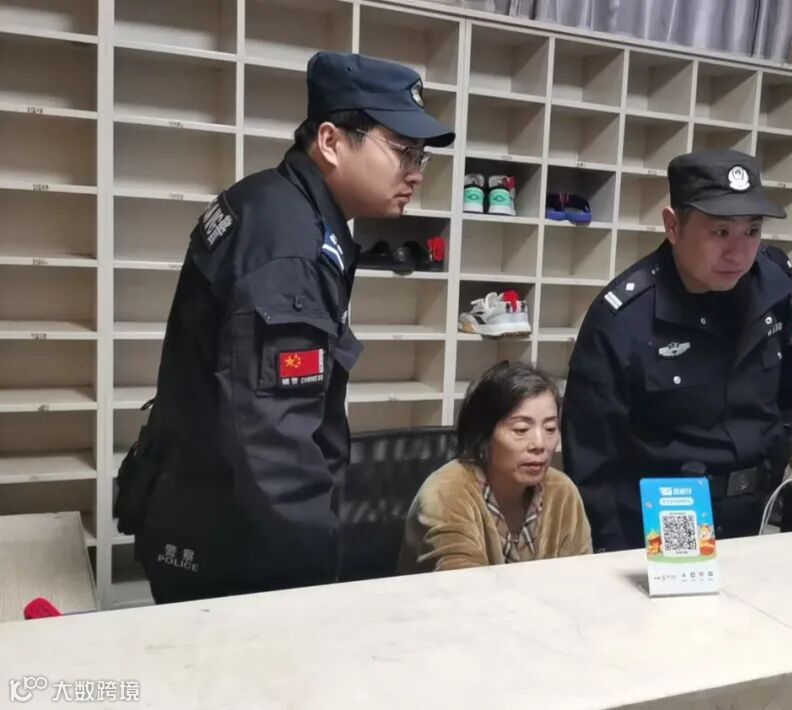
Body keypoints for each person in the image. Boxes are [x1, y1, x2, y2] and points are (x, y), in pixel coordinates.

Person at [113, 52, 455, 603]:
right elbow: (273, 441)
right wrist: (315, 573)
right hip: (234, 546)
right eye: (402, 150)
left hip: (206, 506)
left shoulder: (271, 201)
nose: (416, 171)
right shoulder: (291, 245)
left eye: (421, 155)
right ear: (331, 141)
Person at [562, 149, 792, 552]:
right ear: (673, 226)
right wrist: (613, 556)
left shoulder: (775, 285)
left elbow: (783, 402)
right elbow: (592, 459)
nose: (739, 252)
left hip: (755, 512)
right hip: (666, 518)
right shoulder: (625, 316)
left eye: (752, 231)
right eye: (720, 232)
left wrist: (773, 476)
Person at [398, 362, 592, 573]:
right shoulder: (445, 493)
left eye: (550, 429)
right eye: (521, 430)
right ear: (484, 434)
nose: (540, 444)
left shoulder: (562, 491)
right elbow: (462, 586)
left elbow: (582, 578)